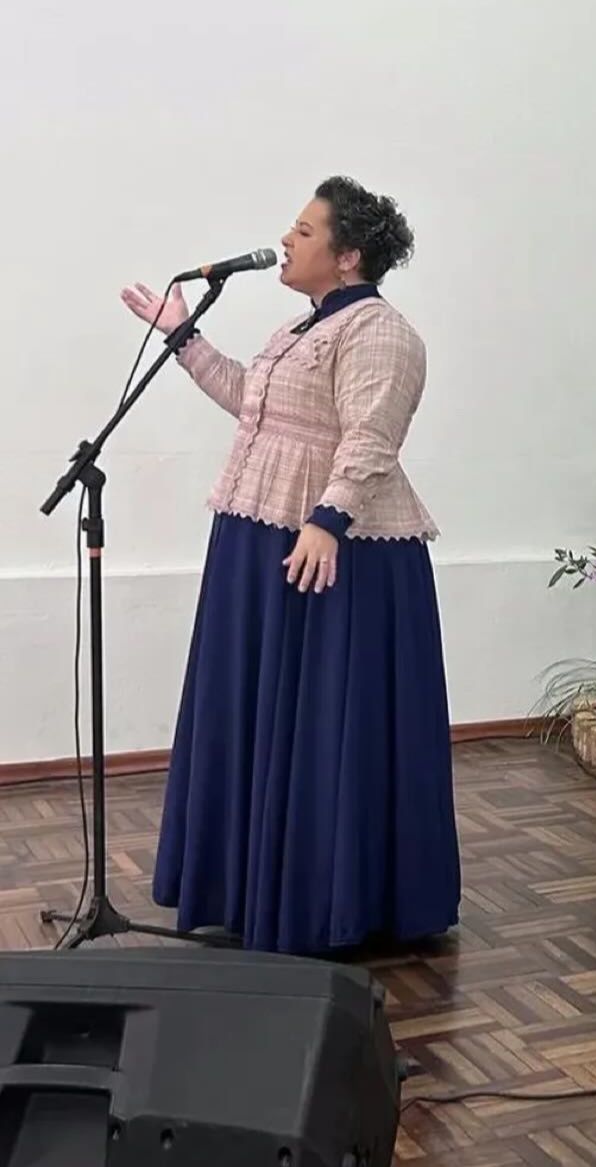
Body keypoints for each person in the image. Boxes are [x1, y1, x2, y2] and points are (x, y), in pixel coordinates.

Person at [120, 176, 461, 955]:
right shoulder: (303, 326)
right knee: (257, 713)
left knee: (322, 728)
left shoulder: (381, 332)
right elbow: (255, 403)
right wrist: (183, 336)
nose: (286, 239)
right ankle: (249, 888)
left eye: (304, 231)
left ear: (349, 255)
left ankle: (326, 900)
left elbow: (372, 434)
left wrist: (328, 520)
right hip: (263, 537)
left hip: (334, 553)